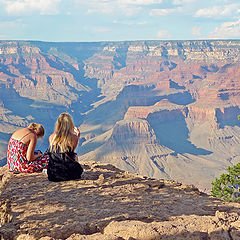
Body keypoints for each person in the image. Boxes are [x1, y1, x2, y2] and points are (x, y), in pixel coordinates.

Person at [47, 113, 83, 182]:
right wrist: (77, 136)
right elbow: (72, 151)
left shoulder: (51, 137)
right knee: (76, 160)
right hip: (69, 174)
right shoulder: (73, 137)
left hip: (53, 174)